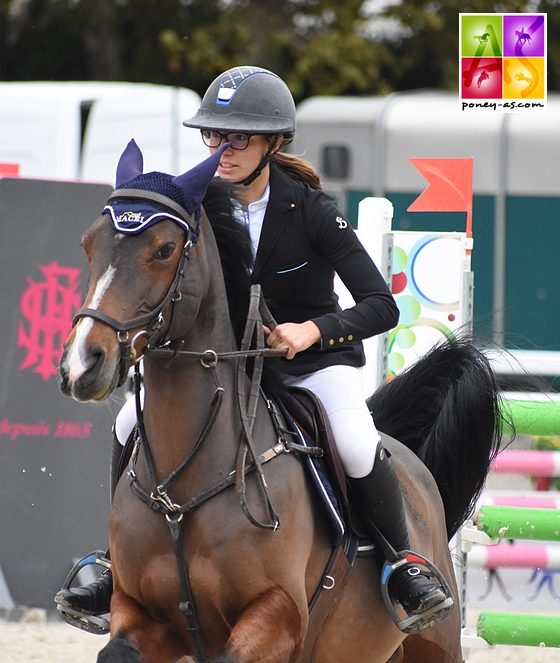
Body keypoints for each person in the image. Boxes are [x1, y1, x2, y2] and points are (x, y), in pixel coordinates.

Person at [56, 66, 452, 633]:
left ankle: (402, 566)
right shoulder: (196, 209)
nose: (222, 149)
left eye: (238, 137)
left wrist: (311, 330)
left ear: (275, 142)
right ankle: (114, 560)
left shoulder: (313, 211)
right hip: (224, 368)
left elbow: (379, 305)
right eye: (213, 136)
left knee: (357, 442)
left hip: (309, 367)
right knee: (126, 424)